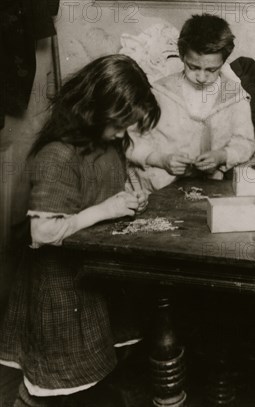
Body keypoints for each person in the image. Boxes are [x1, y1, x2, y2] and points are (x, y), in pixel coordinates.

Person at [0, 54, 161, 405]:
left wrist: (133, 193)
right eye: (119, 124)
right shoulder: (57, 156)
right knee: (53, 376)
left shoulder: (107, 142)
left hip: (93, 275)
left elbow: (110, 177)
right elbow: (41, 232)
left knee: (100, 364)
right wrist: (105, 210)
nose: (122, 133)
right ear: (93, 110)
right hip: (58, 284)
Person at [127, 14, 255, 192]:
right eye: (193, 67)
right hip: (158, 188)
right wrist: (160, 160)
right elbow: (131, 140)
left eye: (212, 70)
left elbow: (245, 143)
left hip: (207, 188)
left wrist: (222, 155)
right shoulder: (158, 92)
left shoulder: (235, 97)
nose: (201, 77)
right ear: (181, 55)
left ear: (223, 61)